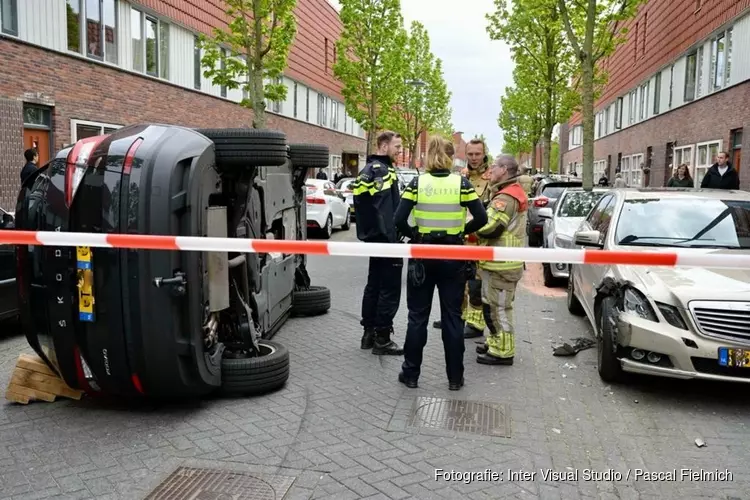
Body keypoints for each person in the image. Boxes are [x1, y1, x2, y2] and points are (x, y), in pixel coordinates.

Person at [395, 136, 488, 390]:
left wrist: (415, 234)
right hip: (452, 255)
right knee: (452, 317)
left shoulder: (418, 182)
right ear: (450, 156)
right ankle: (455, 378)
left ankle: (411, 374)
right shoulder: (461, 183)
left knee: (417, 317)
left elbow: (399, 219)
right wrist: (460, 232)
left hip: (424, 255)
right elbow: (481, 217)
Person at [352, 131, 405, 356]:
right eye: (397, 146)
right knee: (389, 289)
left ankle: (368, 334)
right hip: (386, 240)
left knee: (373, 285)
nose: (400, 150)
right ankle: (382, 338)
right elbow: (384, 210)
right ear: (384, 146)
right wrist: (393, 238)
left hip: (373, 238)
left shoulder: (368, 170)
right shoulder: (383, 172)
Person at [433, 138, 491, 335]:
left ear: (484, 154)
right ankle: (455, 316)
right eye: (470, 154)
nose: (474, 158)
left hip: (480, 240)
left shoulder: (492, 178)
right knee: (458, 282)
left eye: (478, 154)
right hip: (460, 239)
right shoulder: (460, 176)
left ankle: (475, 324)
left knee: (476, 283)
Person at [474, 155, 528, 366]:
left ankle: (504, 351)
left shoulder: (505, 197)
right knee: (491, 305)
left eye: (494, 166)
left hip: (503, 264)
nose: (491, 169)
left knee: (500, 308)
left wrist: (469, 229)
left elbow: (492, 227)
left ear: (504, 169)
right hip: (498, 263)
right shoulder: (507, 192)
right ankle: (495, 341)